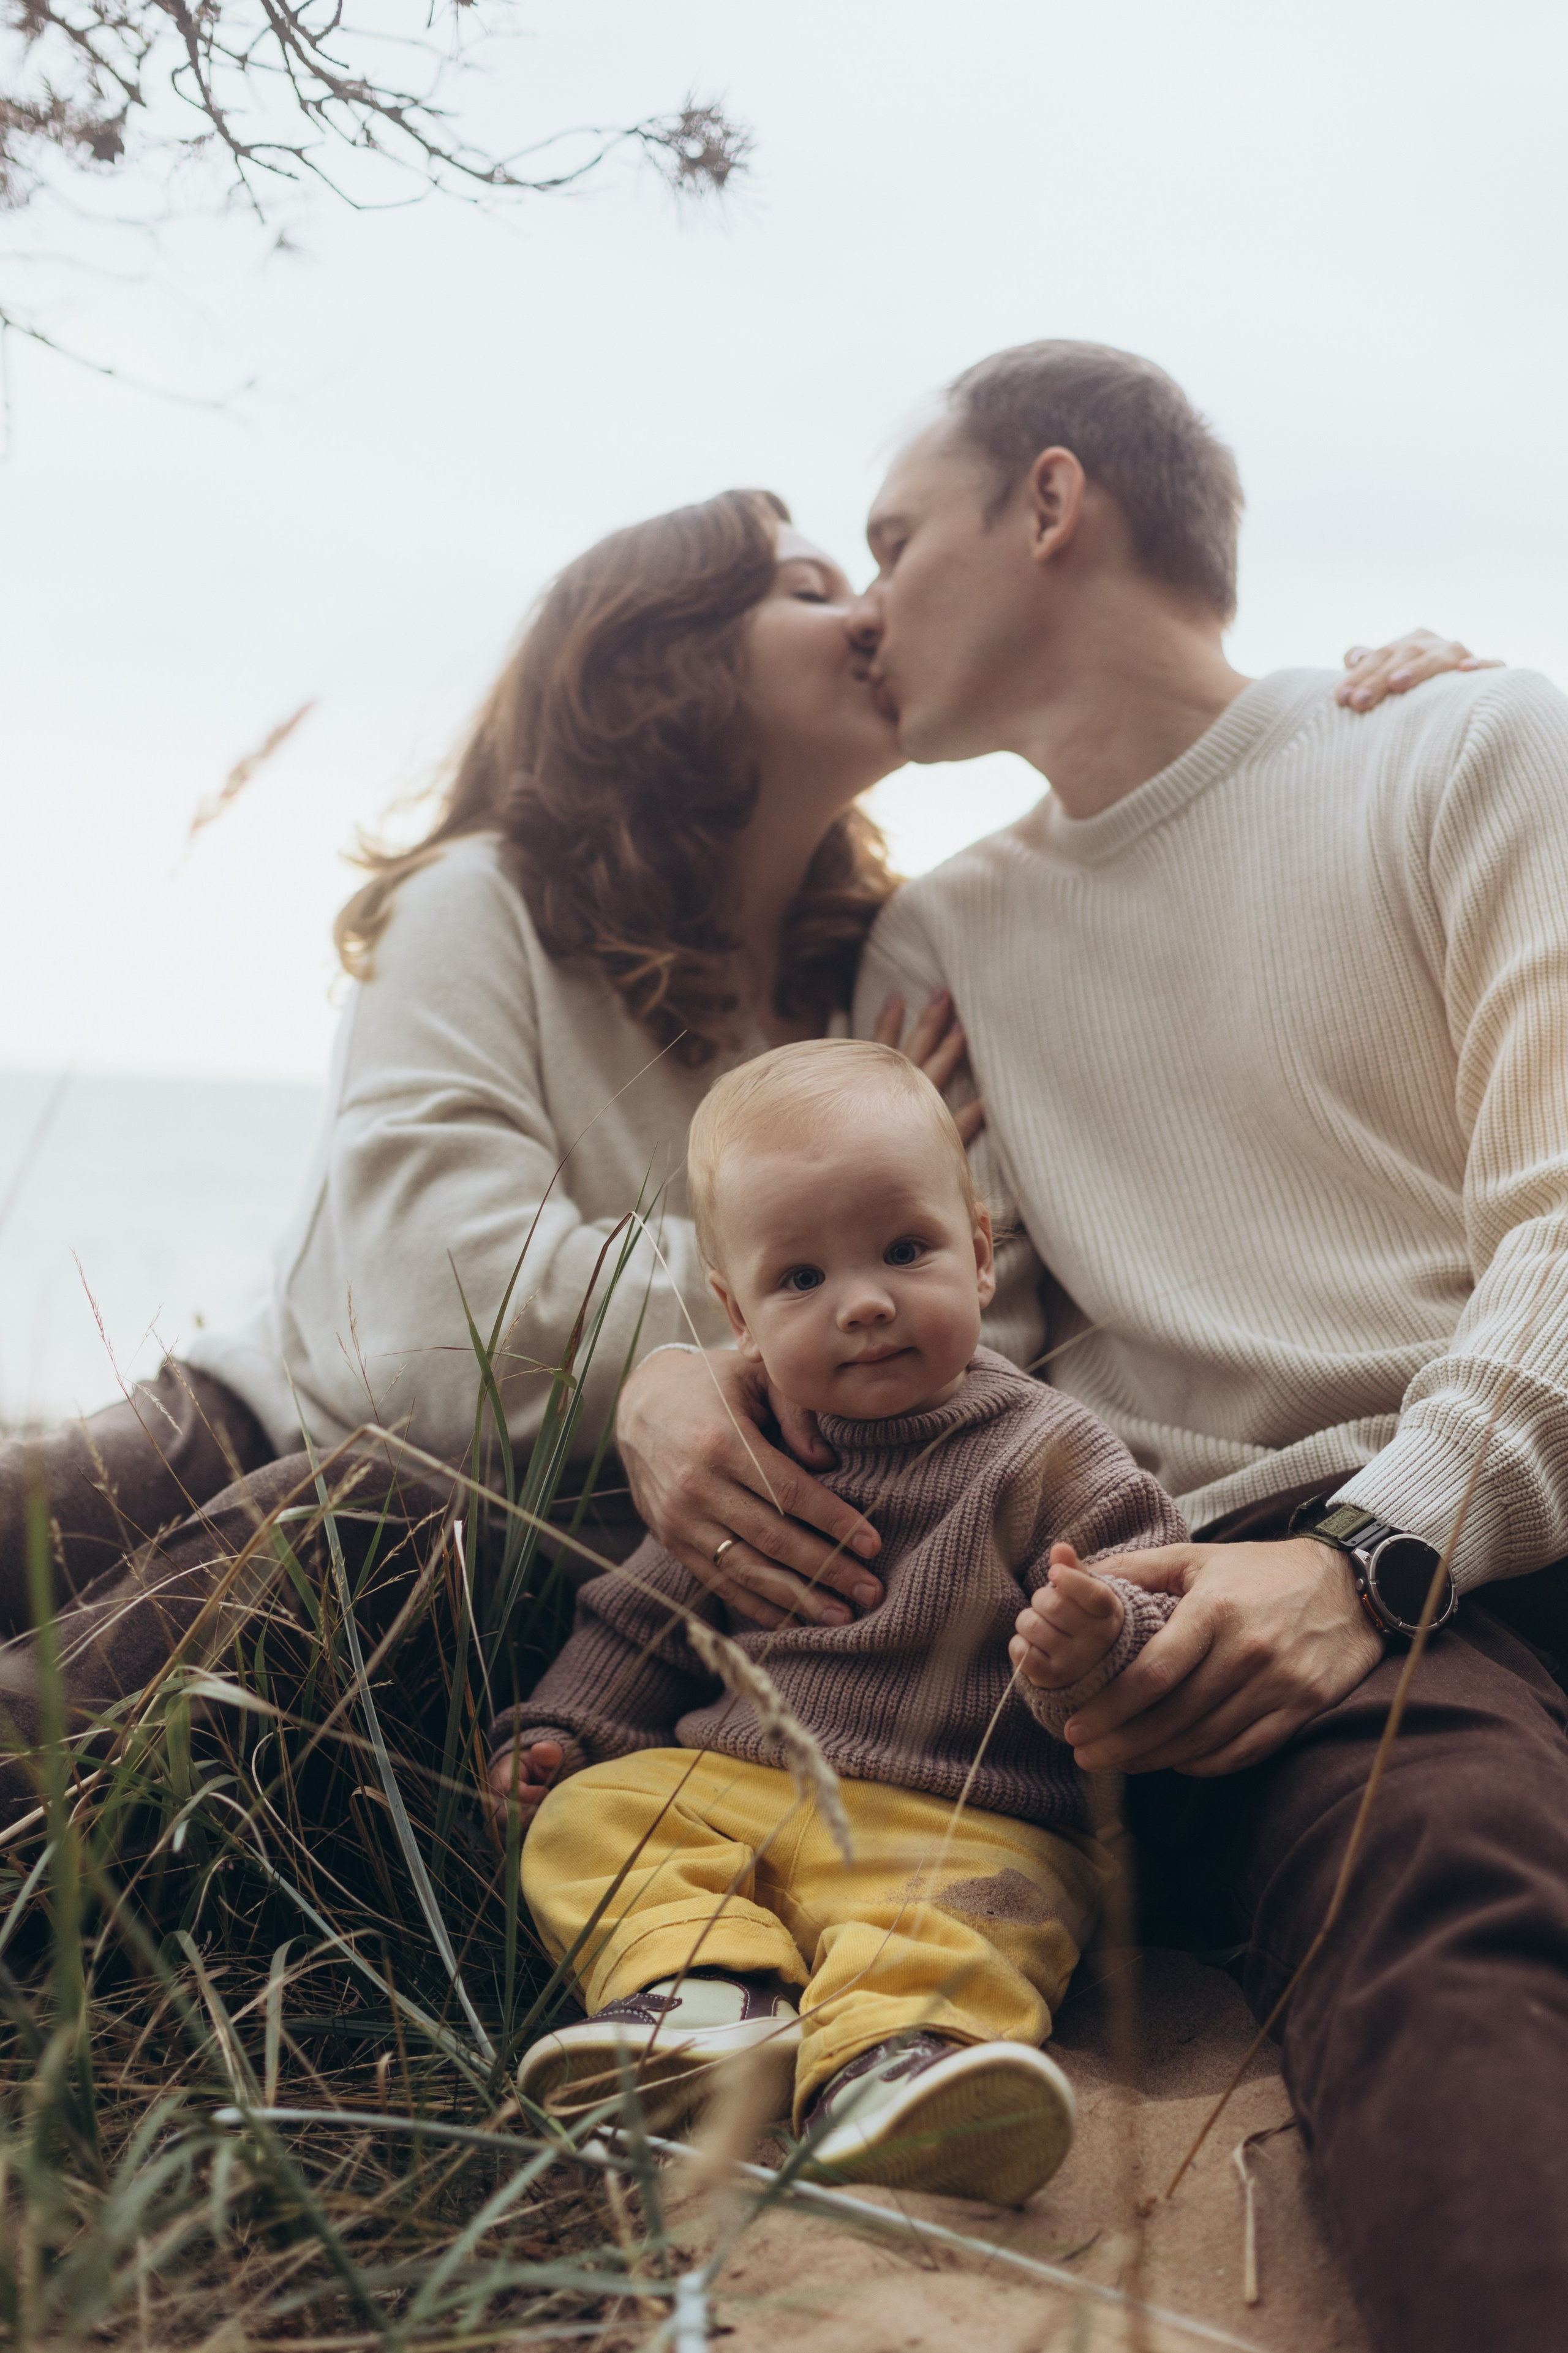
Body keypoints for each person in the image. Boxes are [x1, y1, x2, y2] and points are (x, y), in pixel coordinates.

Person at [0, 470, 1457, 1809]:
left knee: (307, 1560)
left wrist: (1368, 717)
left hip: (529, 1563)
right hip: (253, 1433)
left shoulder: (881, 990)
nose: (873, 613)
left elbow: (984, 1312)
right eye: (812, 587)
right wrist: (687, 1360)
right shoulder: (486, 903)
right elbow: (425, 1311)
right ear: (667, 657)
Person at [612, 342, 1568, 2353]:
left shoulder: (1468, 749)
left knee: (1442, 1874)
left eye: (894, 542)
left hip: (1429, 1552)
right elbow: (977, 1370)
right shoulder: (941, 948)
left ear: (1052, 504)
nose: (866, 609)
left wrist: (1368, 1561)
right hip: (1140, 1625)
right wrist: (696, 1373)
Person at [489, 1038, 1185, 2204]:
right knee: (588, 1819)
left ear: (979, 1254)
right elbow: (641, 1623)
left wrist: (1098, 1635)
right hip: (741, 1785)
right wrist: (564, 1731)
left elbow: (1150, 1591)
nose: (864, 1302)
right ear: (739, 1313)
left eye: (906, 1251)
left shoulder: (1047, 1447)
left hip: (964, 1814)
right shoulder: (745, 1452)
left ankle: (901, 2062)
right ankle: (707, 1995)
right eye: (801, 1278)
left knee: (982, 1913)